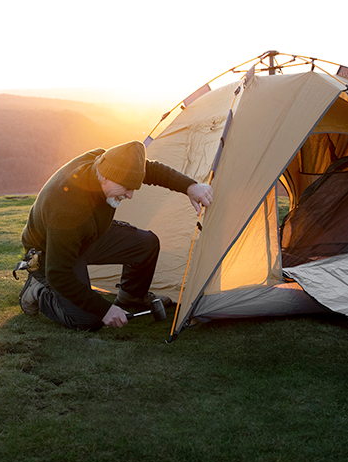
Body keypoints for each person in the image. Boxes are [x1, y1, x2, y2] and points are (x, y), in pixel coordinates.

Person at [16, 140, 213, 331]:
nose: (130, 195)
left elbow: (150, 170)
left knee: (146, 244)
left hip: (87, 234)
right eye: (126, 188)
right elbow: (59, 273)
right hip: (51, 251)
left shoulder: (107, 163)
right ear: (104, 177)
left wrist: (190, 187)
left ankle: (132, 296)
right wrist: (105, 309)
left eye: (133, 188)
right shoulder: (67, 209)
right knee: (89, 320)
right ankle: (38, 290)